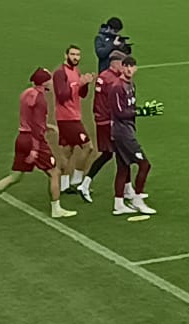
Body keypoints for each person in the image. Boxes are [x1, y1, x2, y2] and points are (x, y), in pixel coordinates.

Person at [0, 68, 78, 222]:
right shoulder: (41, 100)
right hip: (33, 141)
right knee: (54, 172)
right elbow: (36, 127)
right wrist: (35, 149)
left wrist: (48, 126)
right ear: (44, 83)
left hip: (21, 138)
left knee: (15, 176)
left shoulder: (25, 94)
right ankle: (56, 209)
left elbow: (30, 117)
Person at [104, 54, 156, 217]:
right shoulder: (117, 87)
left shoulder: (131, 84)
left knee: (123, 168)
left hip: (126, 131)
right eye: (126, 66)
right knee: (145, 165)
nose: (128, 69)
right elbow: (120, 112)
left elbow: (129, 108)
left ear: (135, 69)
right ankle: (137, 200)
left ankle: (119, 204)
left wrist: (142, 110)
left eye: (131, 66)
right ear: (122, 68)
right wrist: (141, 112)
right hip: (122, 134)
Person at [52, 45, 95, 200]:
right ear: (66, 55)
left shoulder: (76, 71)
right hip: (67, 118)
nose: (76, 57)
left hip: (72, 116)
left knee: (67, 151)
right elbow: (62, 95)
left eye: (78, 55)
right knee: (88, 147)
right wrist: (79, 84)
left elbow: (82, 94)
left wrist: (86, 83)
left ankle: (64, 185)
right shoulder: (60, 73)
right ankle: (77, 181)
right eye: (73, 54)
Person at [81, 53, 124, 204]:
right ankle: (126, 191)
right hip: (108, 121)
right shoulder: (112, 79)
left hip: (102, 119)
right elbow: (113, 103)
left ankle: (85, 184)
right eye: (122, 64)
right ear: (115, 63)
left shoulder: (104, 76)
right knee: (120, 154)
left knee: (109, 154)